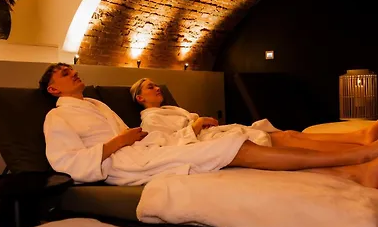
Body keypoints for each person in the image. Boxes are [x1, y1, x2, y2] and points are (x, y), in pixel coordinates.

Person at [40, 63, 378, 188]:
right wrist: (119, 143)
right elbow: (66, 162)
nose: (74, 73)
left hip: (144, 150)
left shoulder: (96, 104)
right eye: (65, 74)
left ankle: (355, 162)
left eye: (72, 69)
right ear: (54, 90)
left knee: (247, 143)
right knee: (236, 146)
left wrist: (137, 139)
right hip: (122, 164)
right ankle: (356, 156)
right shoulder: (57, 117)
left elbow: (143, 136)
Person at [131, 78, 378, 152]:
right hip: (207, 144)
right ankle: (356, 144)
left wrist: (202, 122)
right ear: (141, 99)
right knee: (287, 139)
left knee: (288, 135)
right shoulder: (149, 119)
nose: (157, 88)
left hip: (213, 134)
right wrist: (198, 124)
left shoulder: (170, 110)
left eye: (157, 85)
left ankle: (357, 138)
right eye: (151, 87)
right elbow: (169, 144)